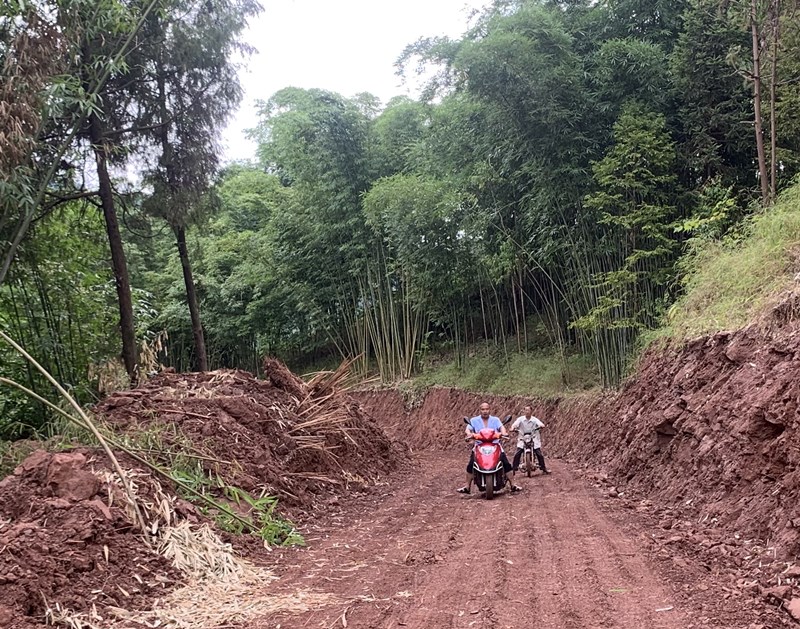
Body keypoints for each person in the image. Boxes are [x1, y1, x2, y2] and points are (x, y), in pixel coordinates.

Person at [457, 402, 521, 494]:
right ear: (480, 410)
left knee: (506, 463)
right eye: (483, 409)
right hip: (479, 445)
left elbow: (502, 427)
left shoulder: (495, 420)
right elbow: (468, 429)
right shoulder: (474, 420)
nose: (485, 411)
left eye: (487, 409)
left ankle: (513, 485)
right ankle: (467, 486)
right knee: (470, 465)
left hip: (495, 444)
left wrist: (504, 433)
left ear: (489, 410)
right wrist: (469, 434)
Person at [511, 405, 550, 475]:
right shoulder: (520, 419)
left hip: (533, 438)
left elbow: (540, 424)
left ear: (531, 411)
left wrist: (541, 426)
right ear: (524, 411)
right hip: (522, 438)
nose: (527, 412)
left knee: (539, 454)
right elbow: (515, 424)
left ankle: (543, 468)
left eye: (528, 410)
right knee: (517, 453)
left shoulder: (534, 419)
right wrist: (513, 428)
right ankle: (514, 468)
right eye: (526, 410)